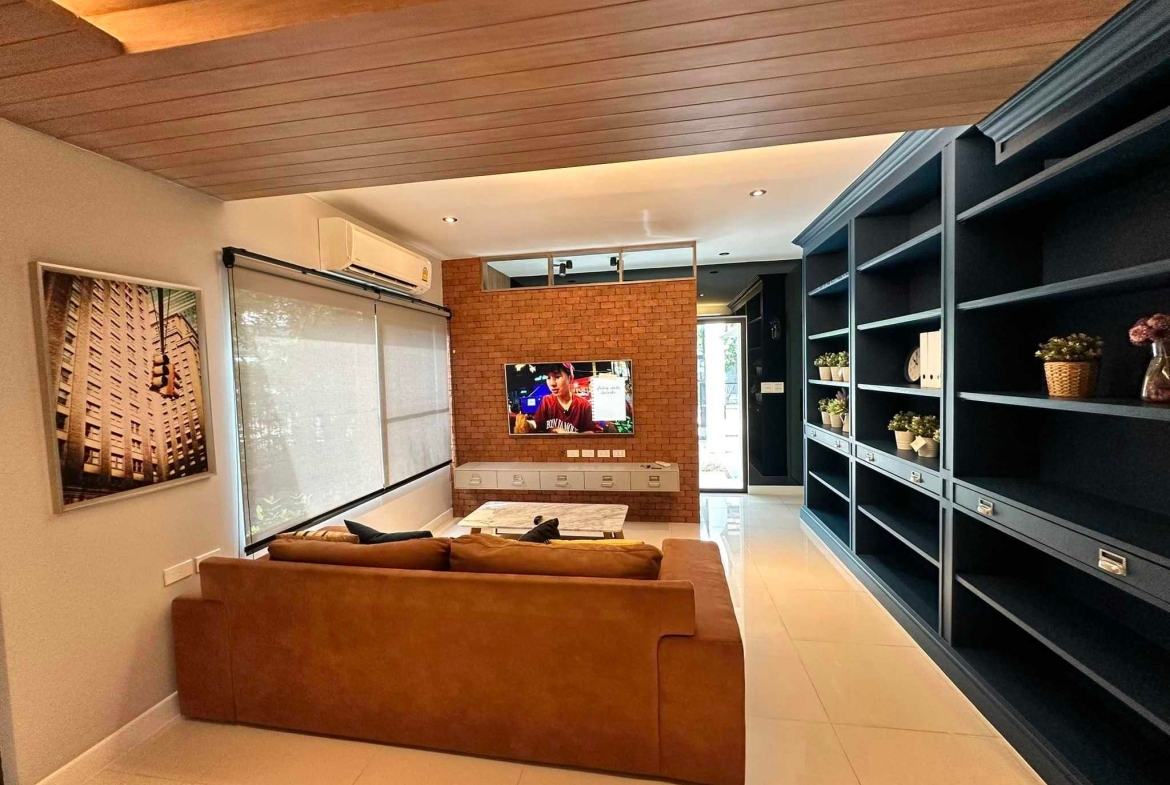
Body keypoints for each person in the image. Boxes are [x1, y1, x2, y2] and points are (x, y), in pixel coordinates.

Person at [529, 362, 598, 434]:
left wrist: (570, 435)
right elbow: (537, 424)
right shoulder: (547, 401)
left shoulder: (584, 405)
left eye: (557, 377)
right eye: (548, 378)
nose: (552, 383)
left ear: (570, 378)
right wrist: (528, 424)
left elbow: (592, 432)